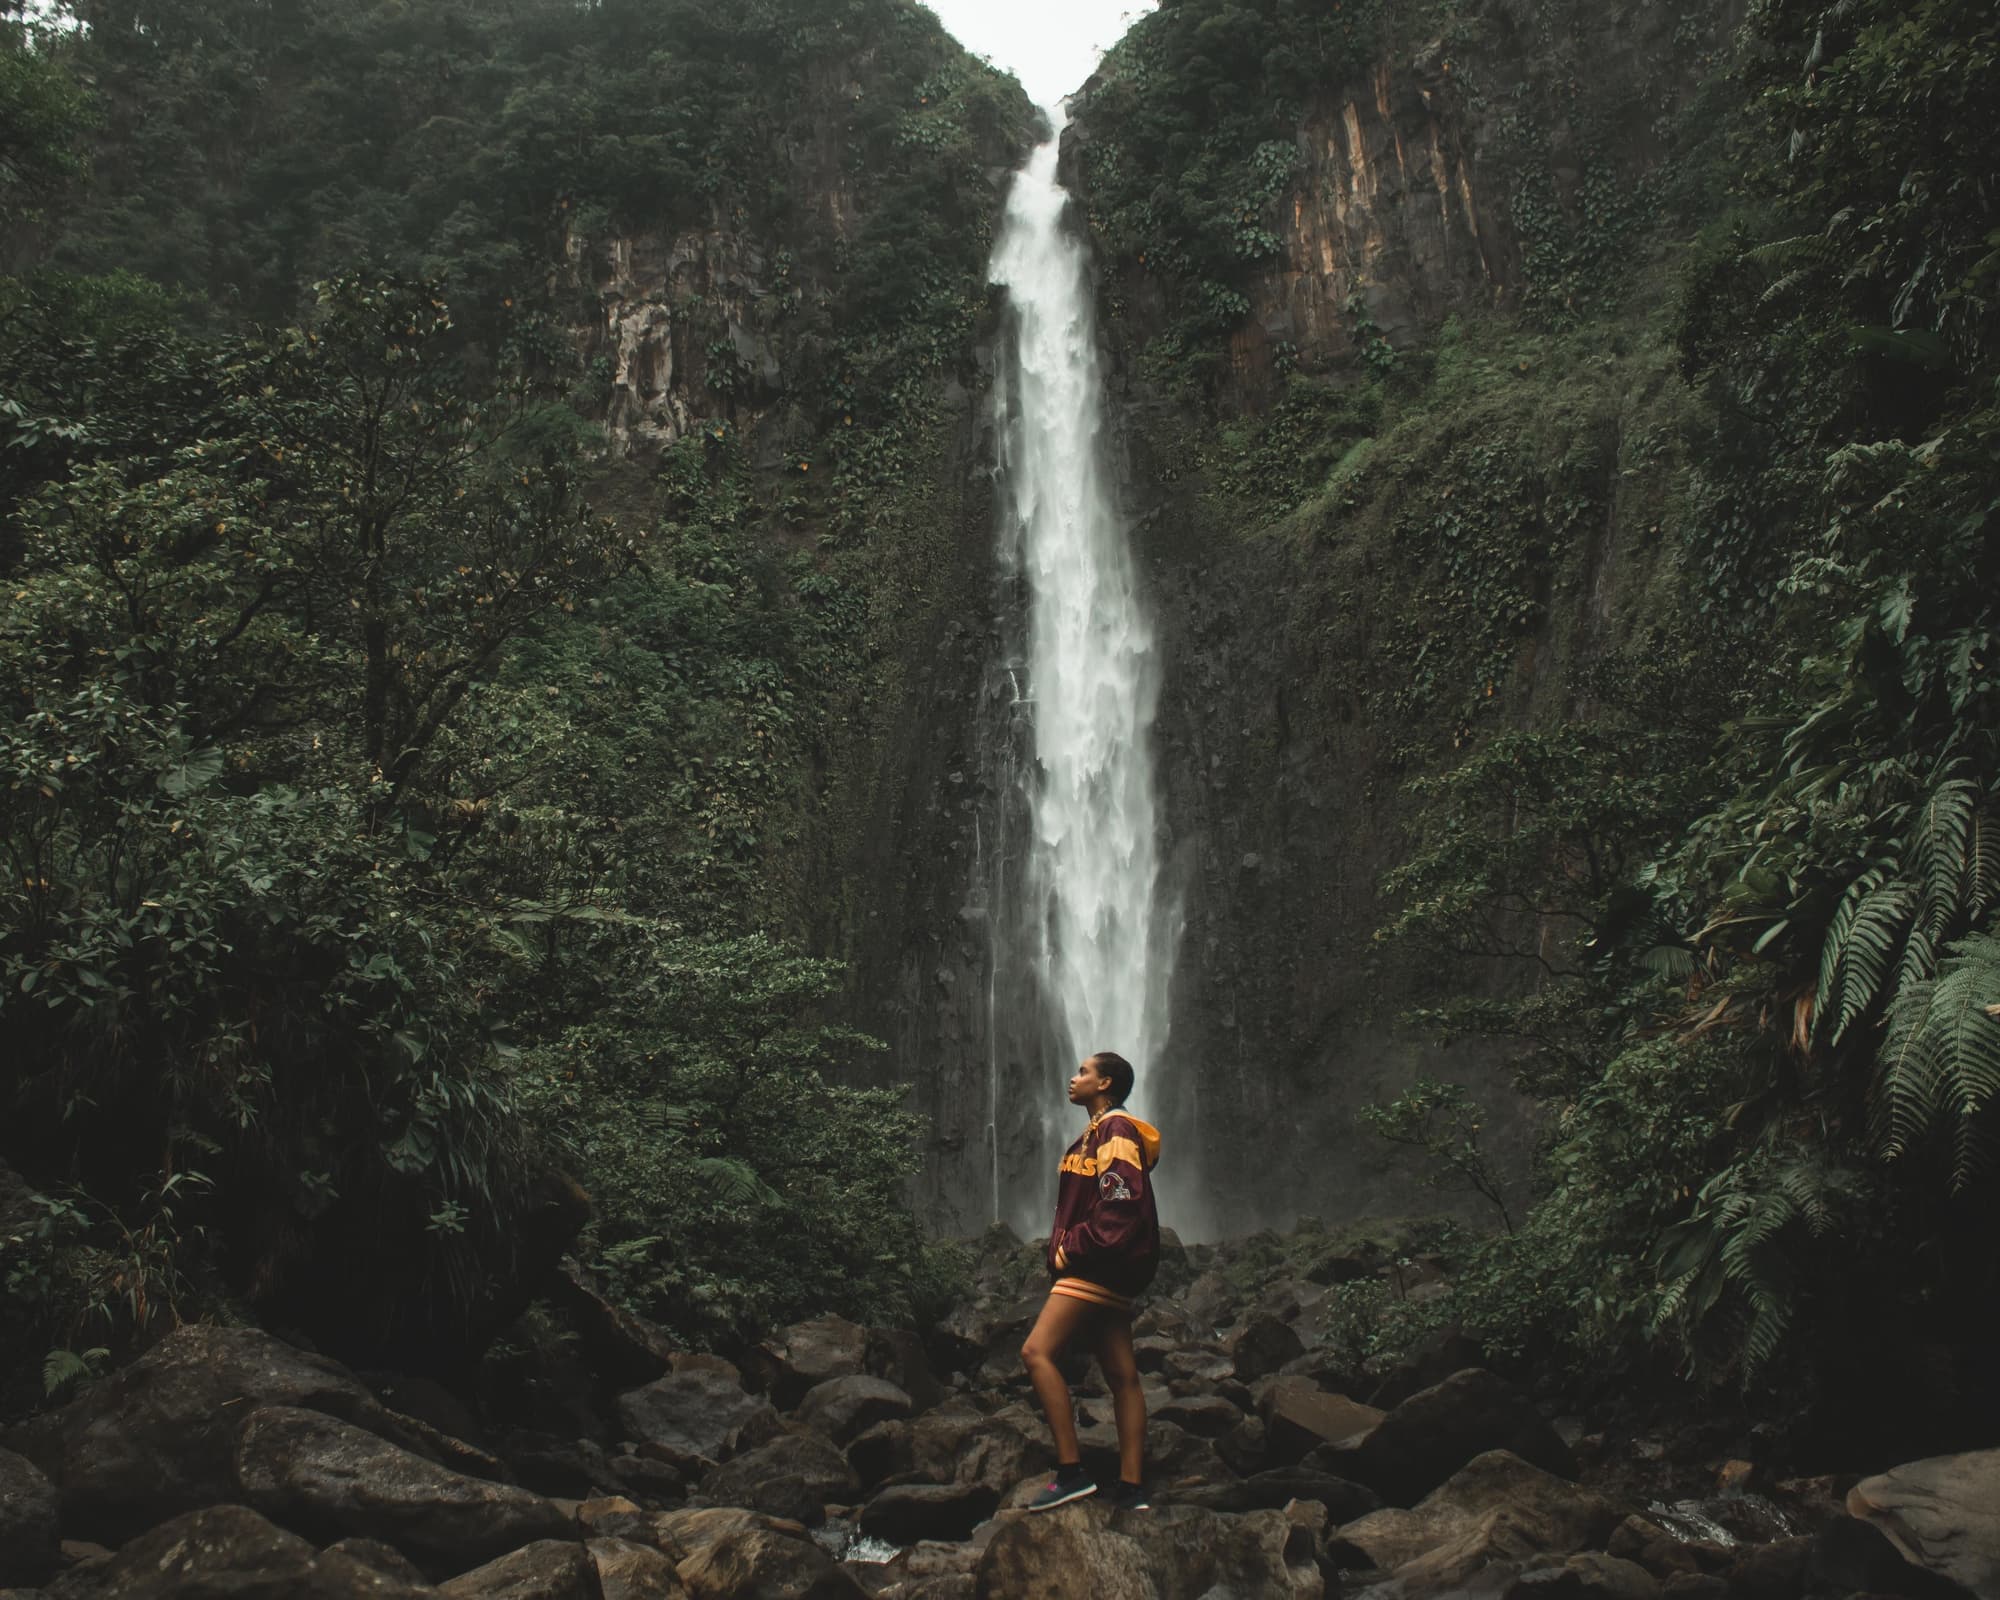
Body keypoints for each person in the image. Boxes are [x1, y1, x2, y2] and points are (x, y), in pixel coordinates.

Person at [1020, 1050, 1163, 1512]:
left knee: (1036, 1351)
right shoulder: (1095, 1133)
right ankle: (1132, 1487)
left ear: (1104, 1084)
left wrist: (1072, 1247)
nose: (1073, 1077)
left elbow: (1119, 1200)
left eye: (1083, 1071)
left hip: (1097, 1263)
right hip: (1112, 1266)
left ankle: (1071, 1471)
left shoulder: (1116, 1129)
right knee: (1123, 1377)